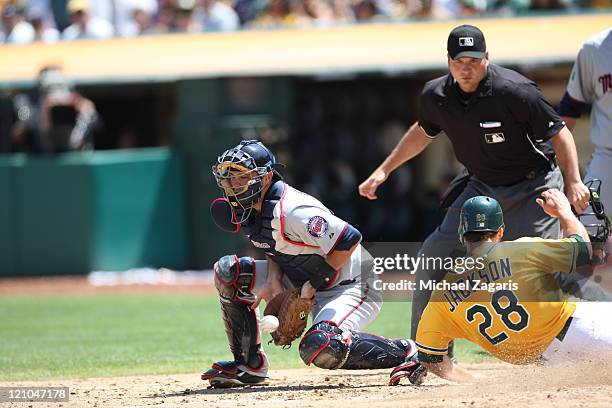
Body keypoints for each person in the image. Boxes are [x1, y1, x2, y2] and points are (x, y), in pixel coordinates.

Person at [358, 24, 591, 339]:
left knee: (542, 268)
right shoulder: (435, 95)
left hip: (532, 186)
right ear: (449, 61)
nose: (466, 69)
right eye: (459, 62)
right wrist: (384, 170)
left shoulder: (515, 90)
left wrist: (573, 181)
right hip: (480, 186)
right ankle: (423, 352)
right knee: (433, 254)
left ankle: (566, 340)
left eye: (473, 61)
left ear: (487, 58)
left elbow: (560, 132)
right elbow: (422, 131)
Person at [201, 140, 424, 388]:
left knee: (321, 345)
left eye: (241, 177)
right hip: (303, 278)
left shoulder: (294, 211)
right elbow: (273, 245)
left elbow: (349, 238)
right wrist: (274, 279)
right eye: (229, 178)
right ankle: (248, 366)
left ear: (264, 179)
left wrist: (312, 285)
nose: (233, 185)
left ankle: (407, 351)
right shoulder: (248, 207)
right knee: (229, 273)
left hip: (352, 284)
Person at [405, 190, 612, 384]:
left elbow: (430, 359)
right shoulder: (521, 249)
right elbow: (582, 249)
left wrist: (476, 382)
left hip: (548, 361)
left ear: (462, 235)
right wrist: (564, 212)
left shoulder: (441, 294)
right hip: (584, 332)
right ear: (500, 231)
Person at [558, 28, 612, 224]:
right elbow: (570, 107)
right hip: (608, 156)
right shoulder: (595, 48)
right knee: (589, 226)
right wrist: (547, 155)